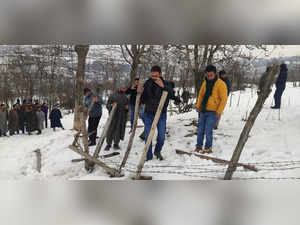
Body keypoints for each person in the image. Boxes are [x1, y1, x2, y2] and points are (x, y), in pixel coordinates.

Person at [138, 65, 181, 161]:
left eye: (156, 76)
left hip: (161, 114)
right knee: (148, 136)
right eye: (152, 76)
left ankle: (157, 151)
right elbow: (143, 100)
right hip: (148, 113)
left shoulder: (166, 84)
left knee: (161, 136)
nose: (153, 78)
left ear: (160, 74)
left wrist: (163, 86)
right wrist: (140, 93)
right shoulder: (147, 83)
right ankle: (148, 156)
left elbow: (171, 94)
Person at [195, 65, 228, 154]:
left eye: (211, 75)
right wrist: (198, 105)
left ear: (215, 74)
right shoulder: (205, 82)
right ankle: (198, 146)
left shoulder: (221, 84)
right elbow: (201, 95)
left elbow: (224, 99)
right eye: (207, 75)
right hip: (203, 110)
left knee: (208, 129)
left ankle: (208, 147)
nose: (209, 77)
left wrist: (219, 111)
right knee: (200, 129)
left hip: (213, 112)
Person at [104, 87, 129, 151]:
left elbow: (127, 107)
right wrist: (111, 105)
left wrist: (127, 108)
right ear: (119, 88)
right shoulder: (113, 96)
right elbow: (107, 105)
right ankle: (108, 144)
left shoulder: (125, 97)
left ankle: (116, 143)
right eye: (122, 88)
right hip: (113, 116)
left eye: (124, 88)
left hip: (121, 117)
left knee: (118, 130)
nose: (123, 89)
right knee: (110, 130)